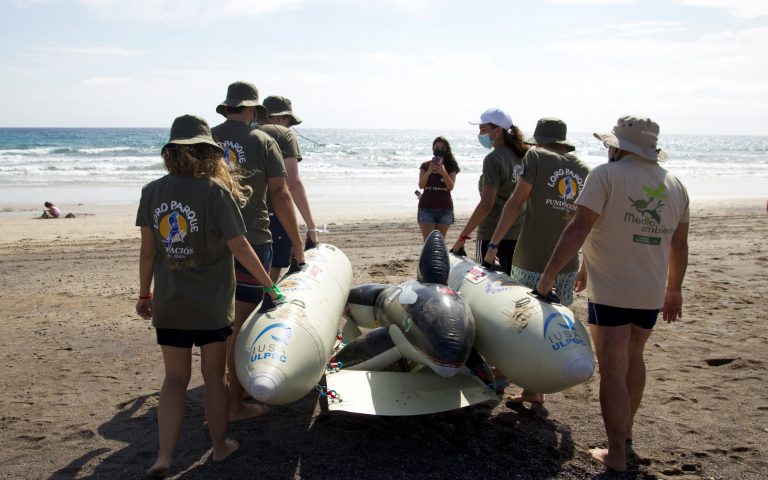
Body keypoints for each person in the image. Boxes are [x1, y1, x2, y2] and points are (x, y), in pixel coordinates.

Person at [535, 115, 689, 473]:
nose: (607, 149)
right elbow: (679, 246)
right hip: (650, 291)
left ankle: (616, 454)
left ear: (619, 147)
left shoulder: (605, 176)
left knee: (613, 370)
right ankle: (627, 435)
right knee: (634, 358)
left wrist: (547, 278)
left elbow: (578, 230)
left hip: (612, 292)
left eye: (610, 144)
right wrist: (675, 289)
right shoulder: (675, 184)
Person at [135, 114, 283, 477]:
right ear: (209, 153)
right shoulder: (216, 192)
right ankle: (219, 447)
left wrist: (144, 294)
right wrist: (269, 284)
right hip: (212, 305)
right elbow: (241, 246)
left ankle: (164, 457)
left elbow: (148, 252)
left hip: (170, 303)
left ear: (171, 152)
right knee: (215, 377)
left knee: (174, 380)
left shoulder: (152, 191)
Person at [211, 81, 305, 422]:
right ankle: (235, 405)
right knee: (242, 328)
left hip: (211, 245)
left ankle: (218, 398)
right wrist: (297, 242)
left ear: (227, 108)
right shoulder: (264, 141)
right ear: (252, 109)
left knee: (216, 328)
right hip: (252, 241)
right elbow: (280, 194)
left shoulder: (207, 139)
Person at [483, 117, 590, 406]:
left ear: (540, 140)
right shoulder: (584, 169)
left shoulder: (536, 157)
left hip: (531, 256)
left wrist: (493, 244)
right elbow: (588, 223)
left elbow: (515, 203)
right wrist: (586, 267)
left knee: (520, 323)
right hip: (567, 263)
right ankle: (534, 390)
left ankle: (511, 378)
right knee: (549, 327)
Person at [451, 108, 529, 273]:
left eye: (483, 129)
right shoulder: (523, 157)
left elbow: (486, 205)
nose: (480, 134)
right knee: (512, 284)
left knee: (489, 283)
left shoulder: (493, 159)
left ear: (498, 131)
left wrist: (462, 237)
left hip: (491, 235)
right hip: (518, 236)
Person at [258, 95, 319, 281]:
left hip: (241, 213)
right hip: (273, 212)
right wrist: (311, 226)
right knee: (271, 271)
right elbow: (293, 183)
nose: (288, 126)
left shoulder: (245, 133)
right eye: (288, 122)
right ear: (280, 117)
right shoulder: (283, 135)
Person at [417, 136, 460, 240]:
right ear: (433, 149)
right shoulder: (425, 165)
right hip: (426, 207)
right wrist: (429, 172)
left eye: (442, 148)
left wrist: (443, 172)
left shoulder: (451, 166)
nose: (439, 150)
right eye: (437, 147)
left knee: (440, 242)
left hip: (445, 208)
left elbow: (450, 187)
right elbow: (421, 185)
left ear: (446, 150)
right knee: (428, 242)